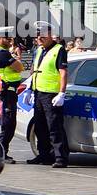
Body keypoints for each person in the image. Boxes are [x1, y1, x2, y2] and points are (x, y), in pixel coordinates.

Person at [26, 21, 70, 168]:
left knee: (54, 126)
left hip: (51, 94)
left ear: (50, 35)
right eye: (37, 36)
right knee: (40, 126)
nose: (39, 39)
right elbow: (35, 70)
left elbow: (63, 73)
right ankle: (43, 155)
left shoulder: (59, 50)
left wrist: (61, 93)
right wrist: (30, 89)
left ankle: (60, 157)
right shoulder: (39, 50)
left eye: (42, 36)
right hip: (38, 92)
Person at [0, 27, 24, 163]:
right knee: (8, 123)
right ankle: (1, 152)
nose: (10, 41)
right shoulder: (3, 53)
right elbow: (20, 68)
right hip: (7, 92)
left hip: (6, 92)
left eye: (10, 38)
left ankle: (2, 151)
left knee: (7, 123)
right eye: (7, 38)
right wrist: (16, 60)